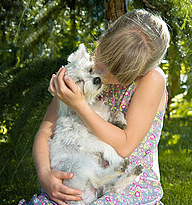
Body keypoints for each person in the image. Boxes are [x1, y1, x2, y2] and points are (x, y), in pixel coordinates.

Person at [19, 9, 170, 205]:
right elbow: (45, 132)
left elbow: (124, 145)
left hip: (127, 184)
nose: (102, 73)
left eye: (116, 73)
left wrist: (79, 105)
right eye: (103, 58)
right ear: (105, 38)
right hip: (81, 179)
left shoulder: (152, 80)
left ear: (140, 72)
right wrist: (45, 175)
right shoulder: (82, 70)